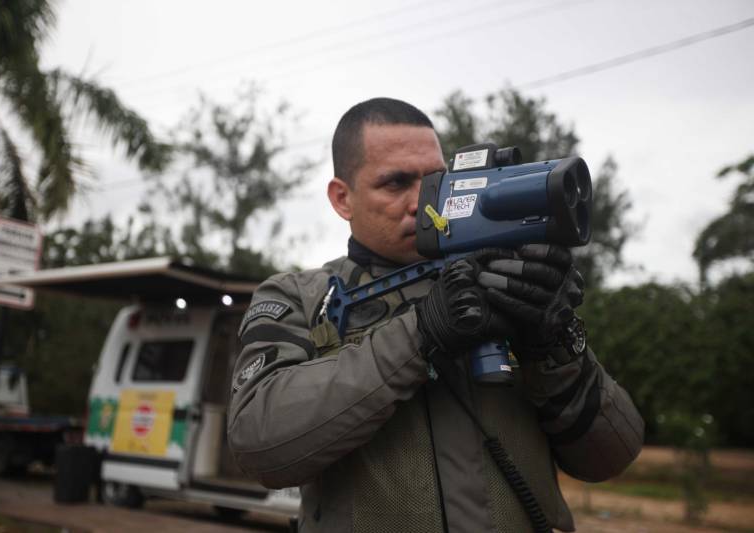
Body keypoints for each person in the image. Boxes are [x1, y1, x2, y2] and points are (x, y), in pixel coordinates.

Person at [227, 97, 644, 533]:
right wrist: (420, 332)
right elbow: (259, 445)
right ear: (342, 198)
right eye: (396, 183)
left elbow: (611, 456)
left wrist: (555, 343)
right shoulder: (302, 297)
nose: (425, 202)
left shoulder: (503, 281)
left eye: (436, 181)